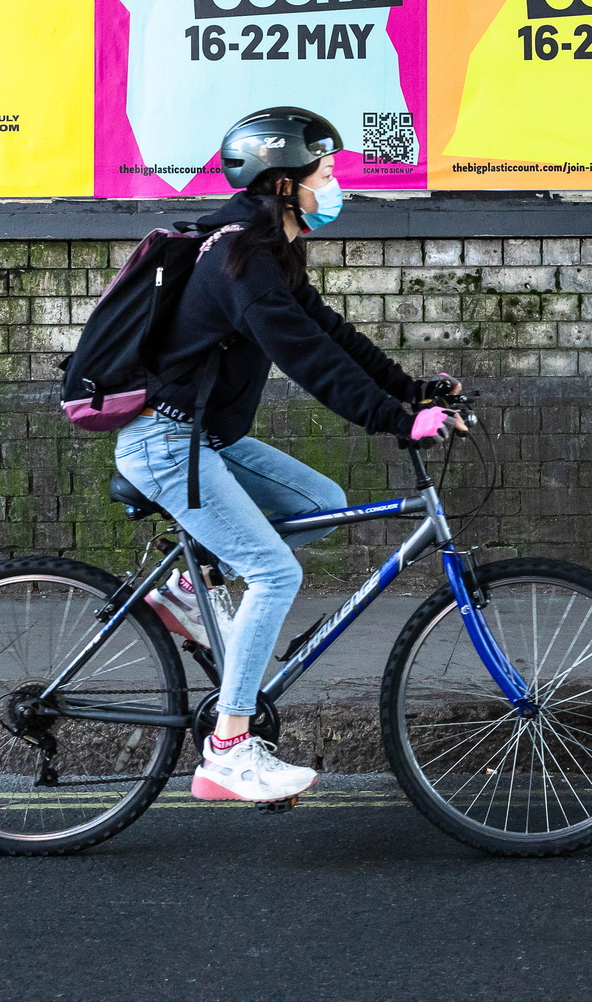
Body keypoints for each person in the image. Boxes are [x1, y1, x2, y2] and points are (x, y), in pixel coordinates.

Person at [113, 105, 463, 804]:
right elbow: (306, 360)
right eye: (323, 172)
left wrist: (411, 389)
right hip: (164, 444)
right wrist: (398, 421)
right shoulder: (242, 260)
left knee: (322, 503)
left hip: (199, 438)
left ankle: (185, 590)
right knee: (273, 573)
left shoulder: (265, 252)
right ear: (281, 184)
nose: (336, 184)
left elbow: (332, 335)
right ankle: (228, 747)